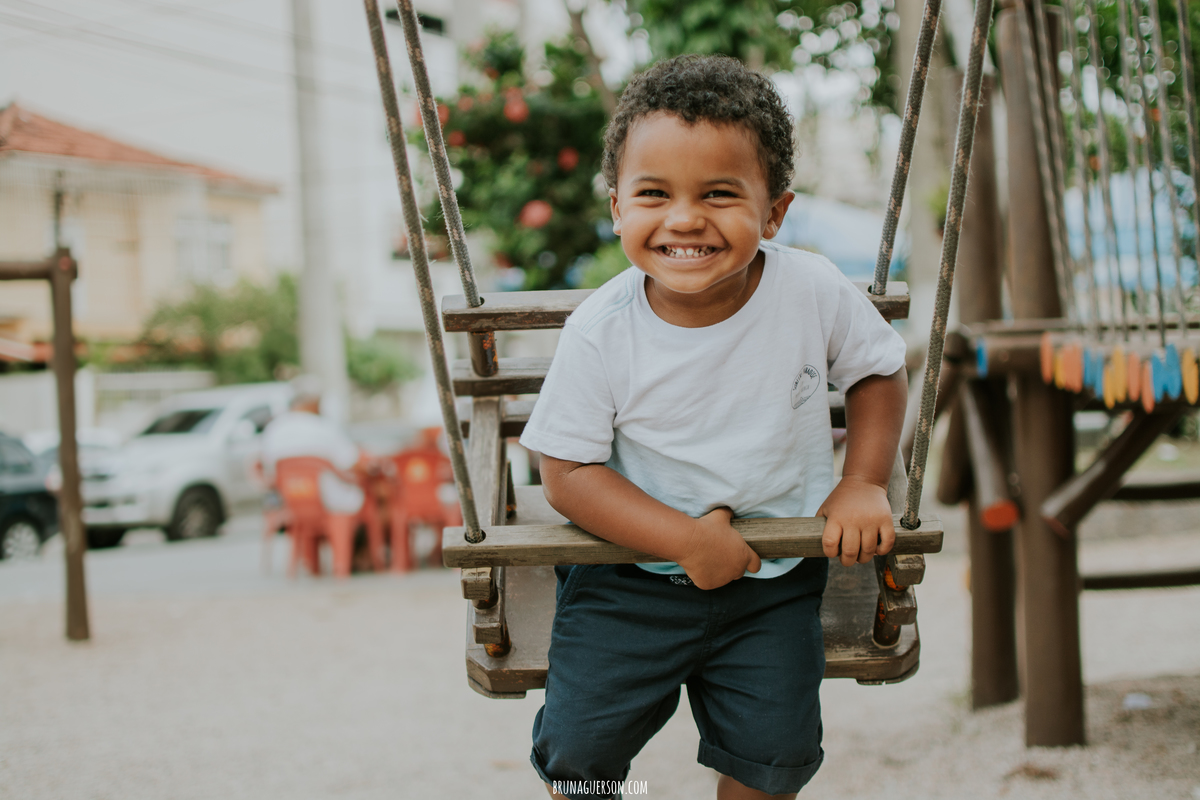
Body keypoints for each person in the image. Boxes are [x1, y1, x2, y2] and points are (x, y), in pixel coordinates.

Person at [517, 55, 908, 800]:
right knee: (579, 753)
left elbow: (878, 370)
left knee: (775, 755)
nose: (686, 218)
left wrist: (862, 480)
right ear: (617, 209)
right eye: (654, 194)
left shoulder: (810, 289)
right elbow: (567, 477)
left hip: (773, 576)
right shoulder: (601, 330)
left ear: (774, 212)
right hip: (628, 575)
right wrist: (686, 541)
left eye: (720, 195)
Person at [261, 377, 365, 516]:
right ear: (314, 401)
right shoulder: (324, 427)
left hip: (290, 500)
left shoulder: (273, 429)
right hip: (330, 502)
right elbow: (350, 461)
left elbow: (267, 465)